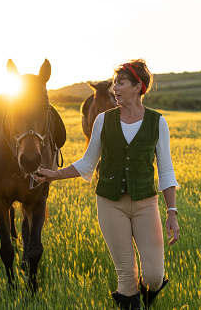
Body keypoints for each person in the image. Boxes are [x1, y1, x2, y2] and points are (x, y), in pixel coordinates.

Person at [34, 59, 180, 309]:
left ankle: (142, 300)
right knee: (126, 277)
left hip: (146, 204)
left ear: (138, 87)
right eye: (114, 82)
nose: (115, 88)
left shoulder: (158, 122)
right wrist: (54, 174)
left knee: (154, 277)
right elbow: (88, 162)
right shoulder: (103, 120)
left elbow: (166, 171)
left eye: (121, 83)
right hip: (110, 204)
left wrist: (171, 212)